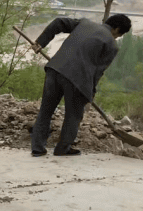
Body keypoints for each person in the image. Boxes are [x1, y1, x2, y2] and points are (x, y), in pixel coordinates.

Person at [30, 14, 132, 157]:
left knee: (45, 111)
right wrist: (90, 92)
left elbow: (59, 21)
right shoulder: (111, 45)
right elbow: (98, 72)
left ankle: (37, 148)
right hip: (78, 80)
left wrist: (41, 41)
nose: (117, 38)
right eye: (119, 35)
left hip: (55, 69)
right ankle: (62, 148)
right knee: (74, 115)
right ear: (117, 29)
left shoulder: (84, 23)